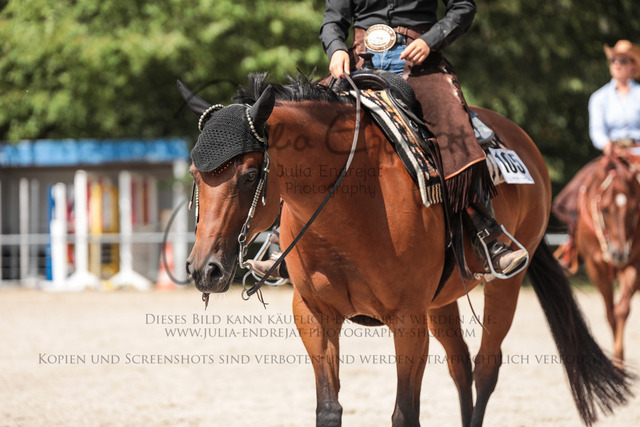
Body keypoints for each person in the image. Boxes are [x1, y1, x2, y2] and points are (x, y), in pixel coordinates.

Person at [318, 0, 527, 277]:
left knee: (453, 128)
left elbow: (463, 7)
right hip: (358, 61)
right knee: (309, 118)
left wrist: (430, 40)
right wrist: (335, 49)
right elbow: (333, 19)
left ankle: (486, 236)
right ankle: (284, 239)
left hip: (420, 62)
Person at [553, 39, 640, 272]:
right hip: (612, 154)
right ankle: (571, 244)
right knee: (579, 188)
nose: (617, 64)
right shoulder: (600, 97)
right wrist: (607, 145)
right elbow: (597, 132)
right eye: (613, 60)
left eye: (623, 60)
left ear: (633, 65)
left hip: (638, 155)